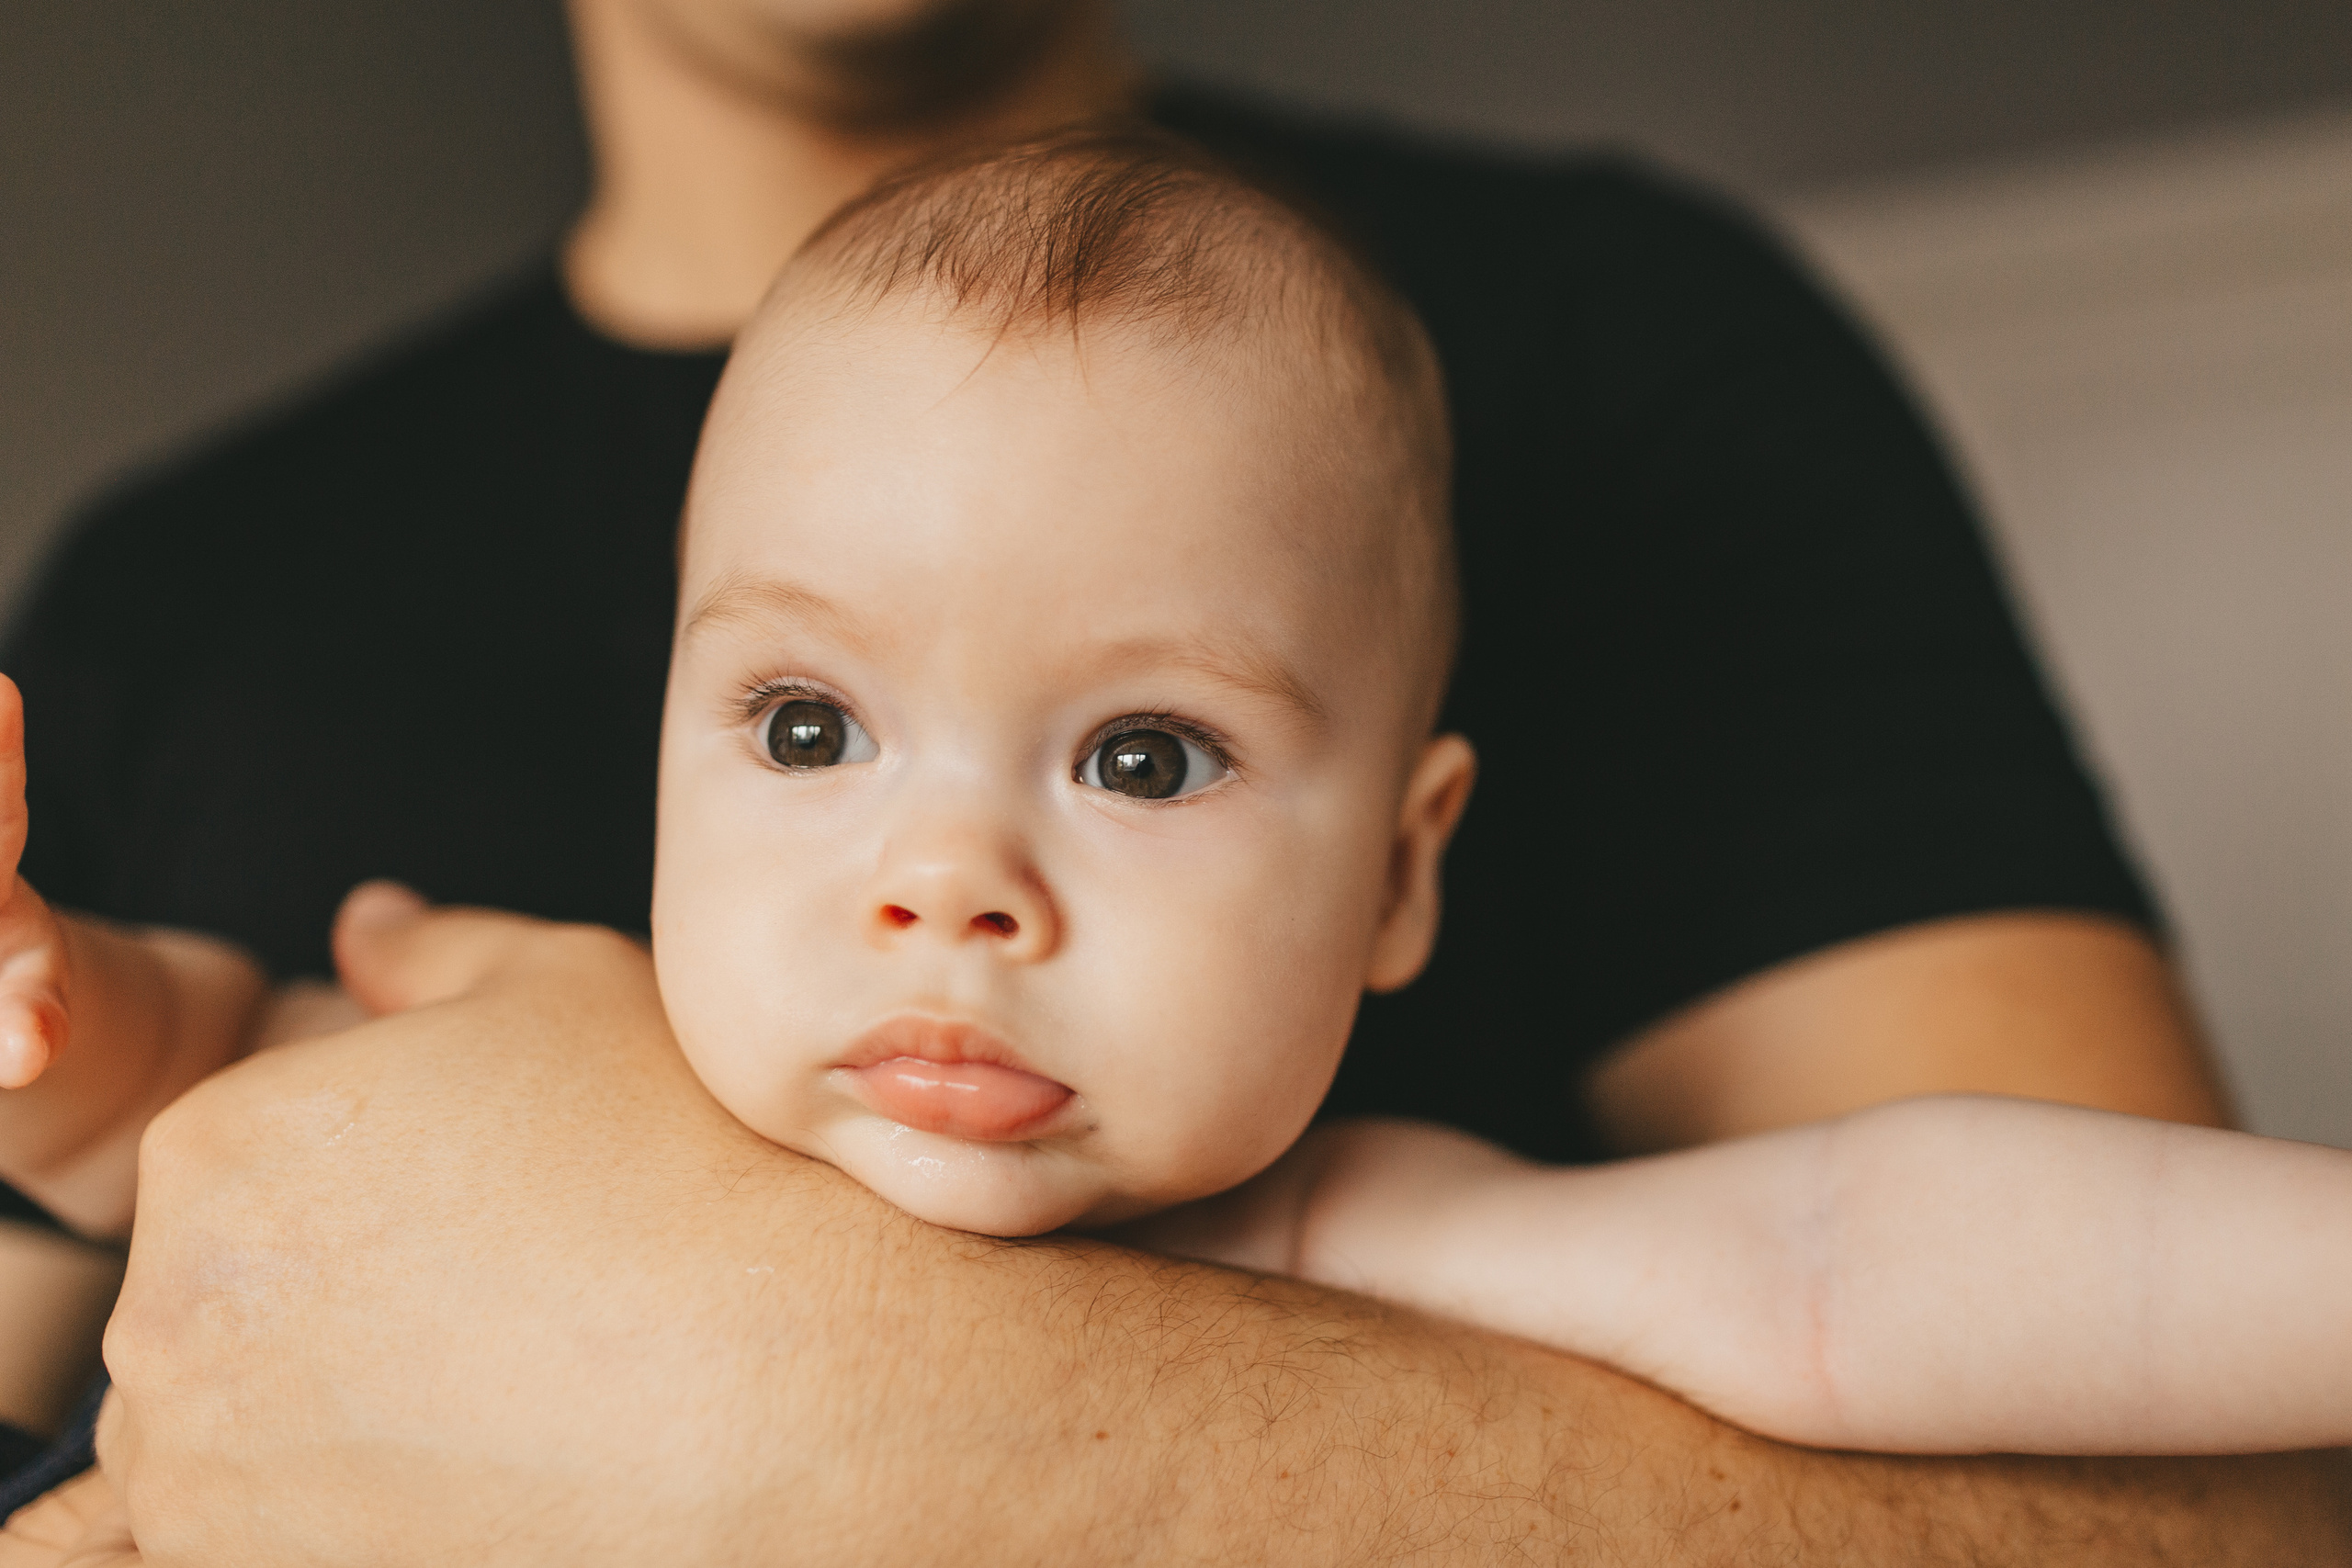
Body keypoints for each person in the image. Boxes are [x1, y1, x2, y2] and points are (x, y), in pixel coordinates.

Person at [4, 0, 2344, 1556]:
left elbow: (1860, 1269)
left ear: (1402, 874)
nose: (944, 878)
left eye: (1143, 752)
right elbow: (194, 1080)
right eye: (805, 731)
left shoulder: (1347, 1231)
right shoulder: (521, 1002)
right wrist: (55, 1009)